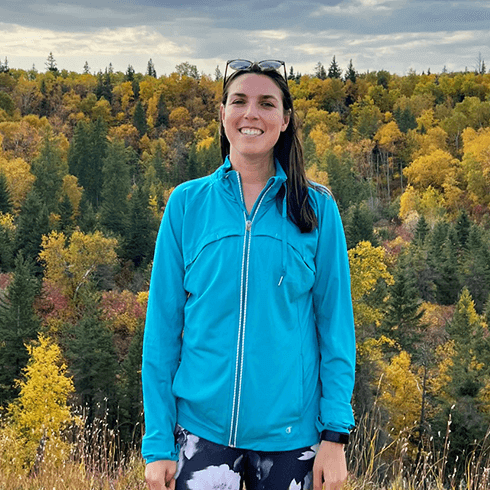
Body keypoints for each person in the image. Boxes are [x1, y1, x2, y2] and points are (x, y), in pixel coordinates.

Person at [142, 59, 356, 490]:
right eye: (238, 101)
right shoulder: (186, 205)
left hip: (292, 442)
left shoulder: (317, 209)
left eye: (266, 103)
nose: (250, 114)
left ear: (285, 119)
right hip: (199, 437)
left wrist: (335, 435)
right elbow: (163, 332)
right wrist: (159, 443)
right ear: (223, 114)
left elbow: (335, 328)